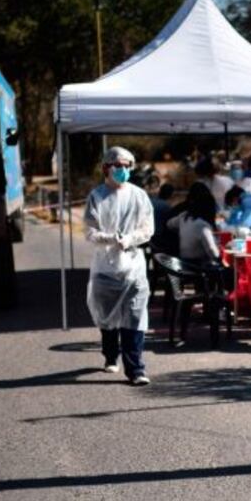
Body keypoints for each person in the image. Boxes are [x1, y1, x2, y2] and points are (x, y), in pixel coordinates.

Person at [84, 146, 154, 386]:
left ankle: (136, 369)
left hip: (133, 267)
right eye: (118, 166)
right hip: (105, 267)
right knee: (108, 319)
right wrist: (111, 239)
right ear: (106, 167)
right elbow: (90, 232)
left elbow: (147, 228)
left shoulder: (139, 196)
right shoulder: (97, 196)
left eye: (127, 166)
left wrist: (130, 239)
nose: (123, 170)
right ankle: (110, 355)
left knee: (134, 317)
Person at [167, 181, 221, 267]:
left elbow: (169, 224)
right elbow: (213, 253)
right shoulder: (203, 226)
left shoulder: (184, 217)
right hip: (199, 266)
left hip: (183, 262)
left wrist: (182, 230)